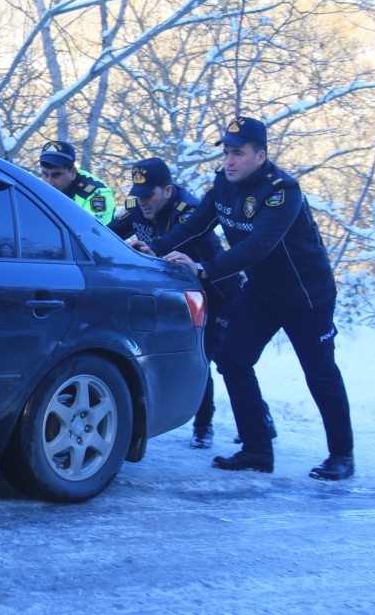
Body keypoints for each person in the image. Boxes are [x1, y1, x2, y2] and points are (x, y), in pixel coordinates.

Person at [131, 116, 355, 480]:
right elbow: (195, 225)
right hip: (263, 292)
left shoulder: (283, 192)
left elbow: (258, 245)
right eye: (226, 153)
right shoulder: (224, 183)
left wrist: (203, 269)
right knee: (233, 360)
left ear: (260, 156)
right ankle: (256, 450)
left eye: (238, 153)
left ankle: (342, 455)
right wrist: (155, 249)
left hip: (306, 296)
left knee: (320, 373)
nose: (229, 161)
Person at [109, 157, 247, 449]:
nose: (143, 202)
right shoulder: (137, 207)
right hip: (180, 300)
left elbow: (184, 244)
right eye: (138, 195)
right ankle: (250, 420)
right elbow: (107, 234)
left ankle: (205, 426)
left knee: (212, 359)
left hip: (217, 296)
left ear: (168, 191)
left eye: (149, 195)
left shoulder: (190, 212)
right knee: (198, 359)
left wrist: (152, 250)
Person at [39, 141, 115, 225]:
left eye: (56, 175)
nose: (49, 182)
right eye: (45, 174)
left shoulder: (98, 194)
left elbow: (91, 231)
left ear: (72, 173)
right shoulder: (37, 186)